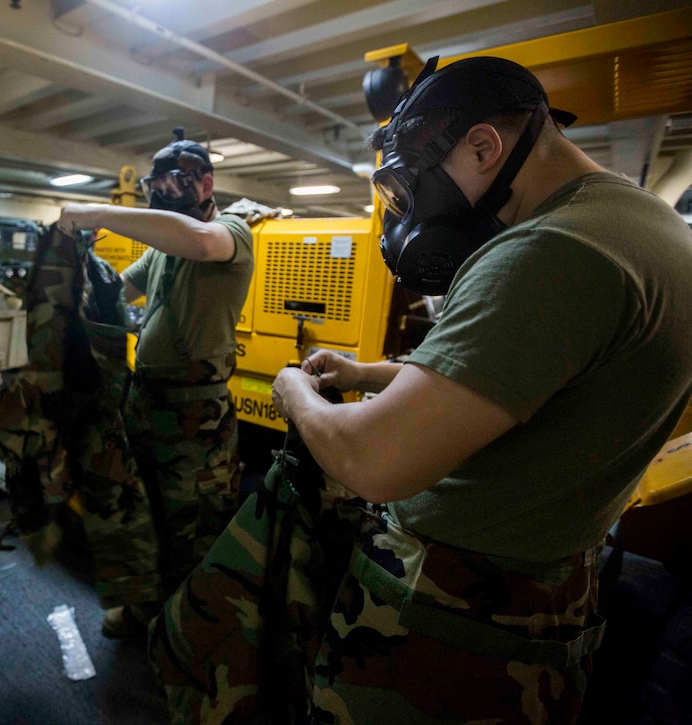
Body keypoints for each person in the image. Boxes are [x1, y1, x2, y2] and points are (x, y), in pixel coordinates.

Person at [271, 56, 692, 722]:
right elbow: (527, 377)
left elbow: (373, 463)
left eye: (419, 185)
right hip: (548, 600)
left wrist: (292, 388)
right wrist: (367, 373)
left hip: (454, 620)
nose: (414, 214)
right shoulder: (645, 226)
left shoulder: (548, 250)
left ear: (484, 146)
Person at [57, 128, 254, 638]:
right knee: (146, 518)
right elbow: (118, 292)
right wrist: (82, 265)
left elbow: (199, 242)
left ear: (206, 183)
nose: (161, 191)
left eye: (174, 181)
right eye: (156, 182)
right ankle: (147, 610)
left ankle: (188, 638)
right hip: (145, 405)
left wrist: (98, 213)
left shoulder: (230, 232)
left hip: (196, 420)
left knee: (194, 530)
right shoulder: (161, 249)